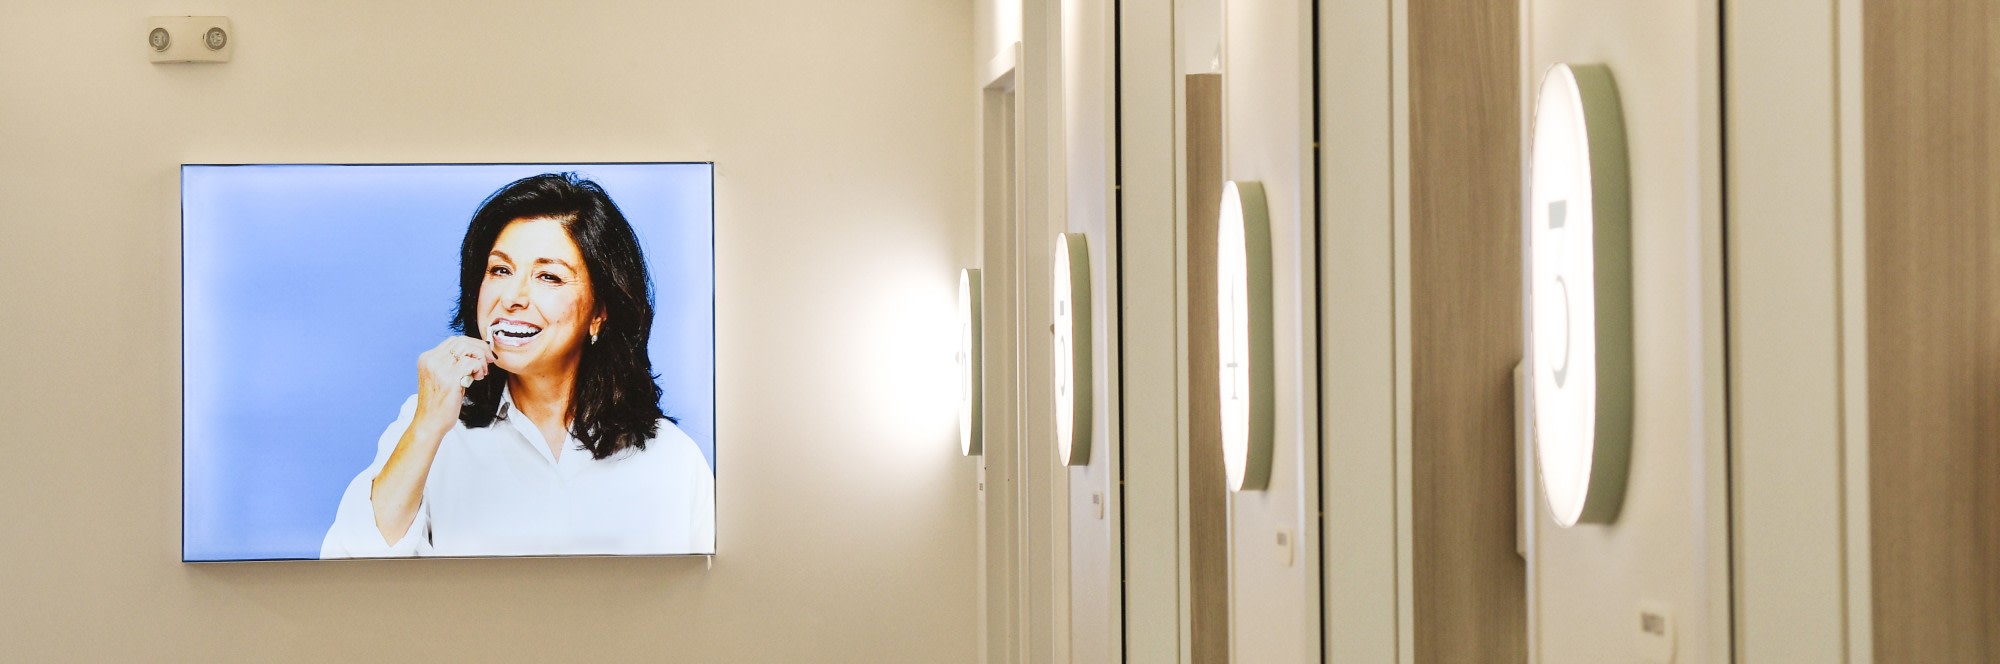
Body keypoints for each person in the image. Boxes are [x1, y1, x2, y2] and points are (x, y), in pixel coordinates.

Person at [321, 173, 714, 558]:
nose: (512, 296)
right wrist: (426, 429)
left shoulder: (672, 460)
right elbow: (345, 570)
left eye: (548, 276)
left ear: (598, 313)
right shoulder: (432, 427)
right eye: (500, 270)